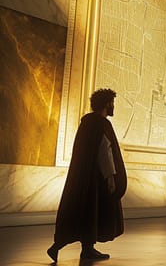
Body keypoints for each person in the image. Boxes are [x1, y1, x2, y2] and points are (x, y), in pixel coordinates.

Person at [47, 88, 127, 262]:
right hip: (95, 179)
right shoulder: (100, 123)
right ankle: (84, 249)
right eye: (112, 103)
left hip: (83, 177)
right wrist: (110, 176)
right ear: (107, 104)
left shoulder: (87, 123)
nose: (113, 107)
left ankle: (74, 247)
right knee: (90, 211)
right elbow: (104, 151)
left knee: (82, 212)